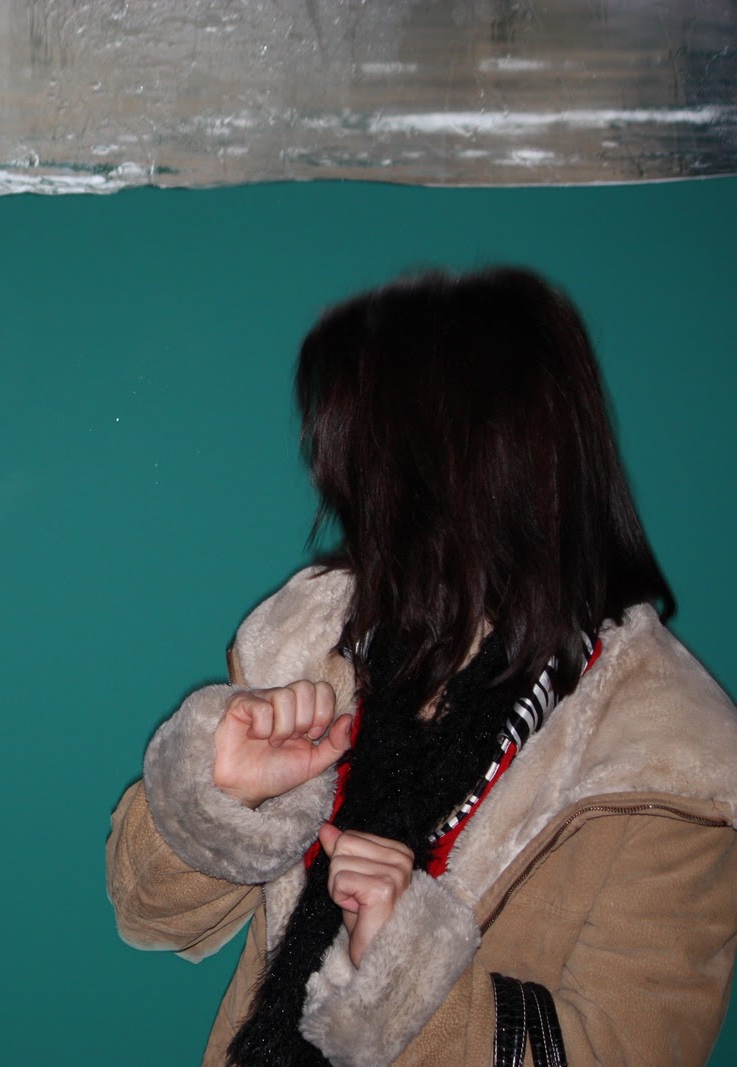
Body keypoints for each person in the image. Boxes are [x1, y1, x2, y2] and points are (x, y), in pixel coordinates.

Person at [105, 266, 737, 1066]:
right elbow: (146, 913)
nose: (341, 490)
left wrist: (403, 978)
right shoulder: (310, 633)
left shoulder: (674, 760)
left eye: (366, 462)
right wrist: (219, 800)